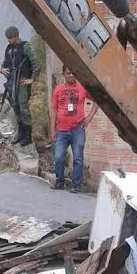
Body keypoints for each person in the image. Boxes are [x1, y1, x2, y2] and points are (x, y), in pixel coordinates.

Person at [49, 64, 97, 192]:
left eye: (73, 73)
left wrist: (89, 118)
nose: (71, 75)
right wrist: (52, 130)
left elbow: (97, 100)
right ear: (64, 74)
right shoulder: (58, 89)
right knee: (58, 157)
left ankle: (76, 185)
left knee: (78, 158)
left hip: (77, 130)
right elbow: (54, 110)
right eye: (68, 73)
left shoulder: (82, 87)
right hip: (61, 131)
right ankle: (60, 182)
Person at [1, 26, 37, 147]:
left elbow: (36, 63)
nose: (9, 40)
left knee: (23, 108)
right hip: (12, 82)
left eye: (10, 38)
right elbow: (4, 63)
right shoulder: (8, 49)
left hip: (22, 81)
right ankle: (20, 132)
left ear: (16, 36)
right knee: (15, 107)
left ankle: (28, 136)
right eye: (8, 38)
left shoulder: (25, 47)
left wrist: (32, 79)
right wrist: (2, 69)